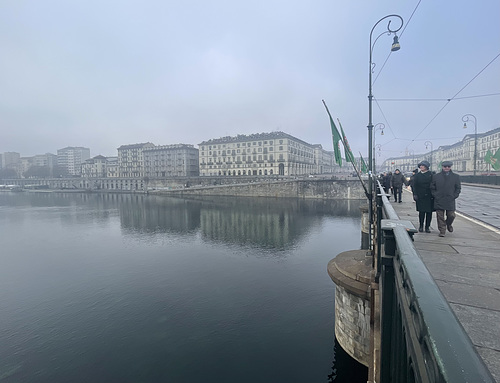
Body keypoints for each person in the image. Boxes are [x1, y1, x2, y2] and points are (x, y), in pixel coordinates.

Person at [430, 160, 461, 237]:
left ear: (450, 167)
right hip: (439, 199)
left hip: (450, 199)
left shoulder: (456, 177)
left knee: (451, 215)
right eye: (445, 166)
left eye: (448, 166)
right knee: (440, 216)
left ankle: (448, 224)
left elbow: (458, 188)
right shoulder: (436, 176)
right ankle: (442, 230)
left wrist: (454, 195)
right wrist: (435, 195)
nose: (446, 168)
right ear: (442, 167)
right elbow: (432, 187)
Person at [412, 161, 433, 233]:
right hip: (420, 195)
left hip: (430, 196)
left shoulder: (431, 174)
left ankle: (427, 227)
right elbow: (414, 185)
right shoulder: (417, 175)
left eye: (423, 166)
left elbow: (434, 184)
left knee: (429, 212)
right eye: (420, 165)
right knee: (421, 212)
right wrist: (415, 194)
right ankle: (421, 226)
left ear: (426, 167)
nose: (421, 167)